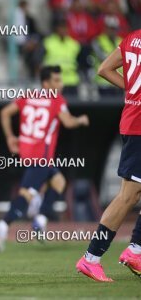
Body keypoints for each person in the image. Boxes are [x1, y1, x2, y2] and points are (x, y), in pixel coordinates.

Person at [0, 66, 89, 252]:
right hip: (41, 156)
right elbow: (68, 122)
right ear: (46, 83)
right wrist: (81, 120)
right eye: (56, 80)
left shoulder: (28, 95)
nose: (61, 84)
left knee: (59, 182)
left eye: (60, 80)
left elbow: (4, 112)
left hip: (28, 152)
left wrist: (10, 137)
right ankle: (2, 225)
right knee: (27, 194)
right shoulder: (56, 100)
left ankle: (40, 220)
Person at [76, 29, 141, 282]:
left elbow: (104, 69)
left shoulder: (133, 37)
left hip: (132, 120)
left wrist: (134, 90)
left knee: (131, 193)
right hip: (139, 127)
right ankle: (91, 258)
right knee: (128, 195)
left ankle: (136, 250)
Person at [42, 21, 81, 96]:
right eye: (61, 27)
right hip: (54, 82)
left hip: (72, 81)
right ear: (56, 29)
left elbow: (79, 62)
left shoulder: (74, 44)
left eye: (65, 27)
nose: (63, 30)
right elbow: (38, 60)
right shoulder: (48, 43)